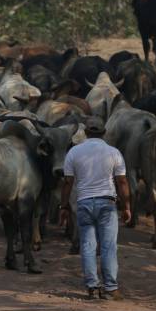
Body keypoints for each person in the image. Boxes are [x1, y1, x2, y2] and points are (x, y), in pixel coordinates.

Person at [60, 117, 131, 300]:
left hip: (84, 203)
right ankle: (110, 288)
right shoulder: (113, 152)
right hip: (107, 203)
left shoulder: (74, 152)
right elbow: (122, 181)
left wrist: (64, 205)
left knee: (88, 246)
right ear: (104, 133)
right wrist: (127, 206)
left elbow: (68, 182)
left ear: (85, 132)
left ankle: (92, 287)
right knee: (108, 246)